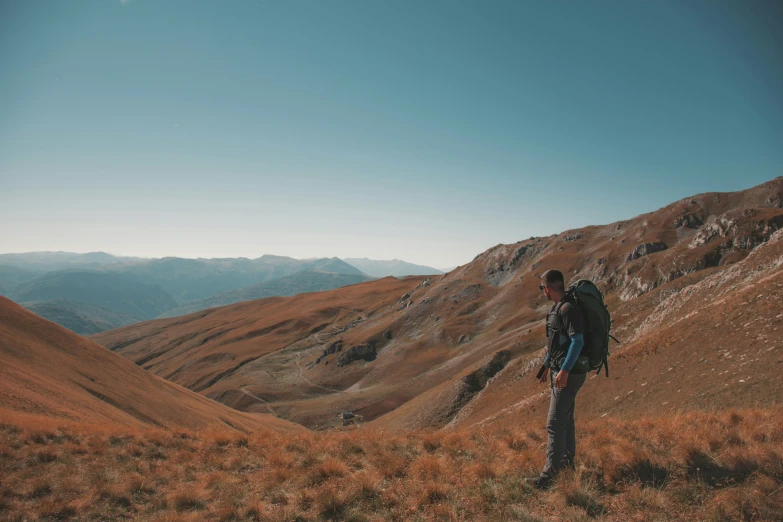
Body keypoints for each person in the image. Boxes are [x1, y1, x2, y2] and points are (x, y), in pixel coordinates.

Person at [526, 269, 587, 489]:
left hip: (567, 375)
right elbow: (556, 343)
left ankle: (549, 477)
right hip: (560, 371)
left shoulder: (568, 309)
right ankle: (567, 467)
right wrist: (546, 367)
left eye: (542, 288)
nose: (542, 291)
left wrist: (564, 370)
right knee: (565, 421)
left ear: (548, 288)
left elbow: (577, 341)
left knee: (553, 424)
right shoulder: (559, 308)